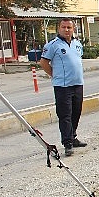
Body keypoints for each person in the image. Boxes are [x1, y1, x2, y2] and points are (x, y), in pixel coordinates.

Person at [39, 18, 87, 157]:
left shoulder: (77, 44)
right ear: (59, 28)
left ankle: (73, 136)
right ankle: (67, 143)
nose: (66, 30)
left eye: (69, 27)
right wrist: (54, 75)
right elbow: (43, 62)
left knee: (76, 112)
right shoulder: (53, 45)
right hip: (63, 86)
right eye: (64, 27)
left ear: (73, 29)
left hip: (77, 83)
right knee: (65, 115)